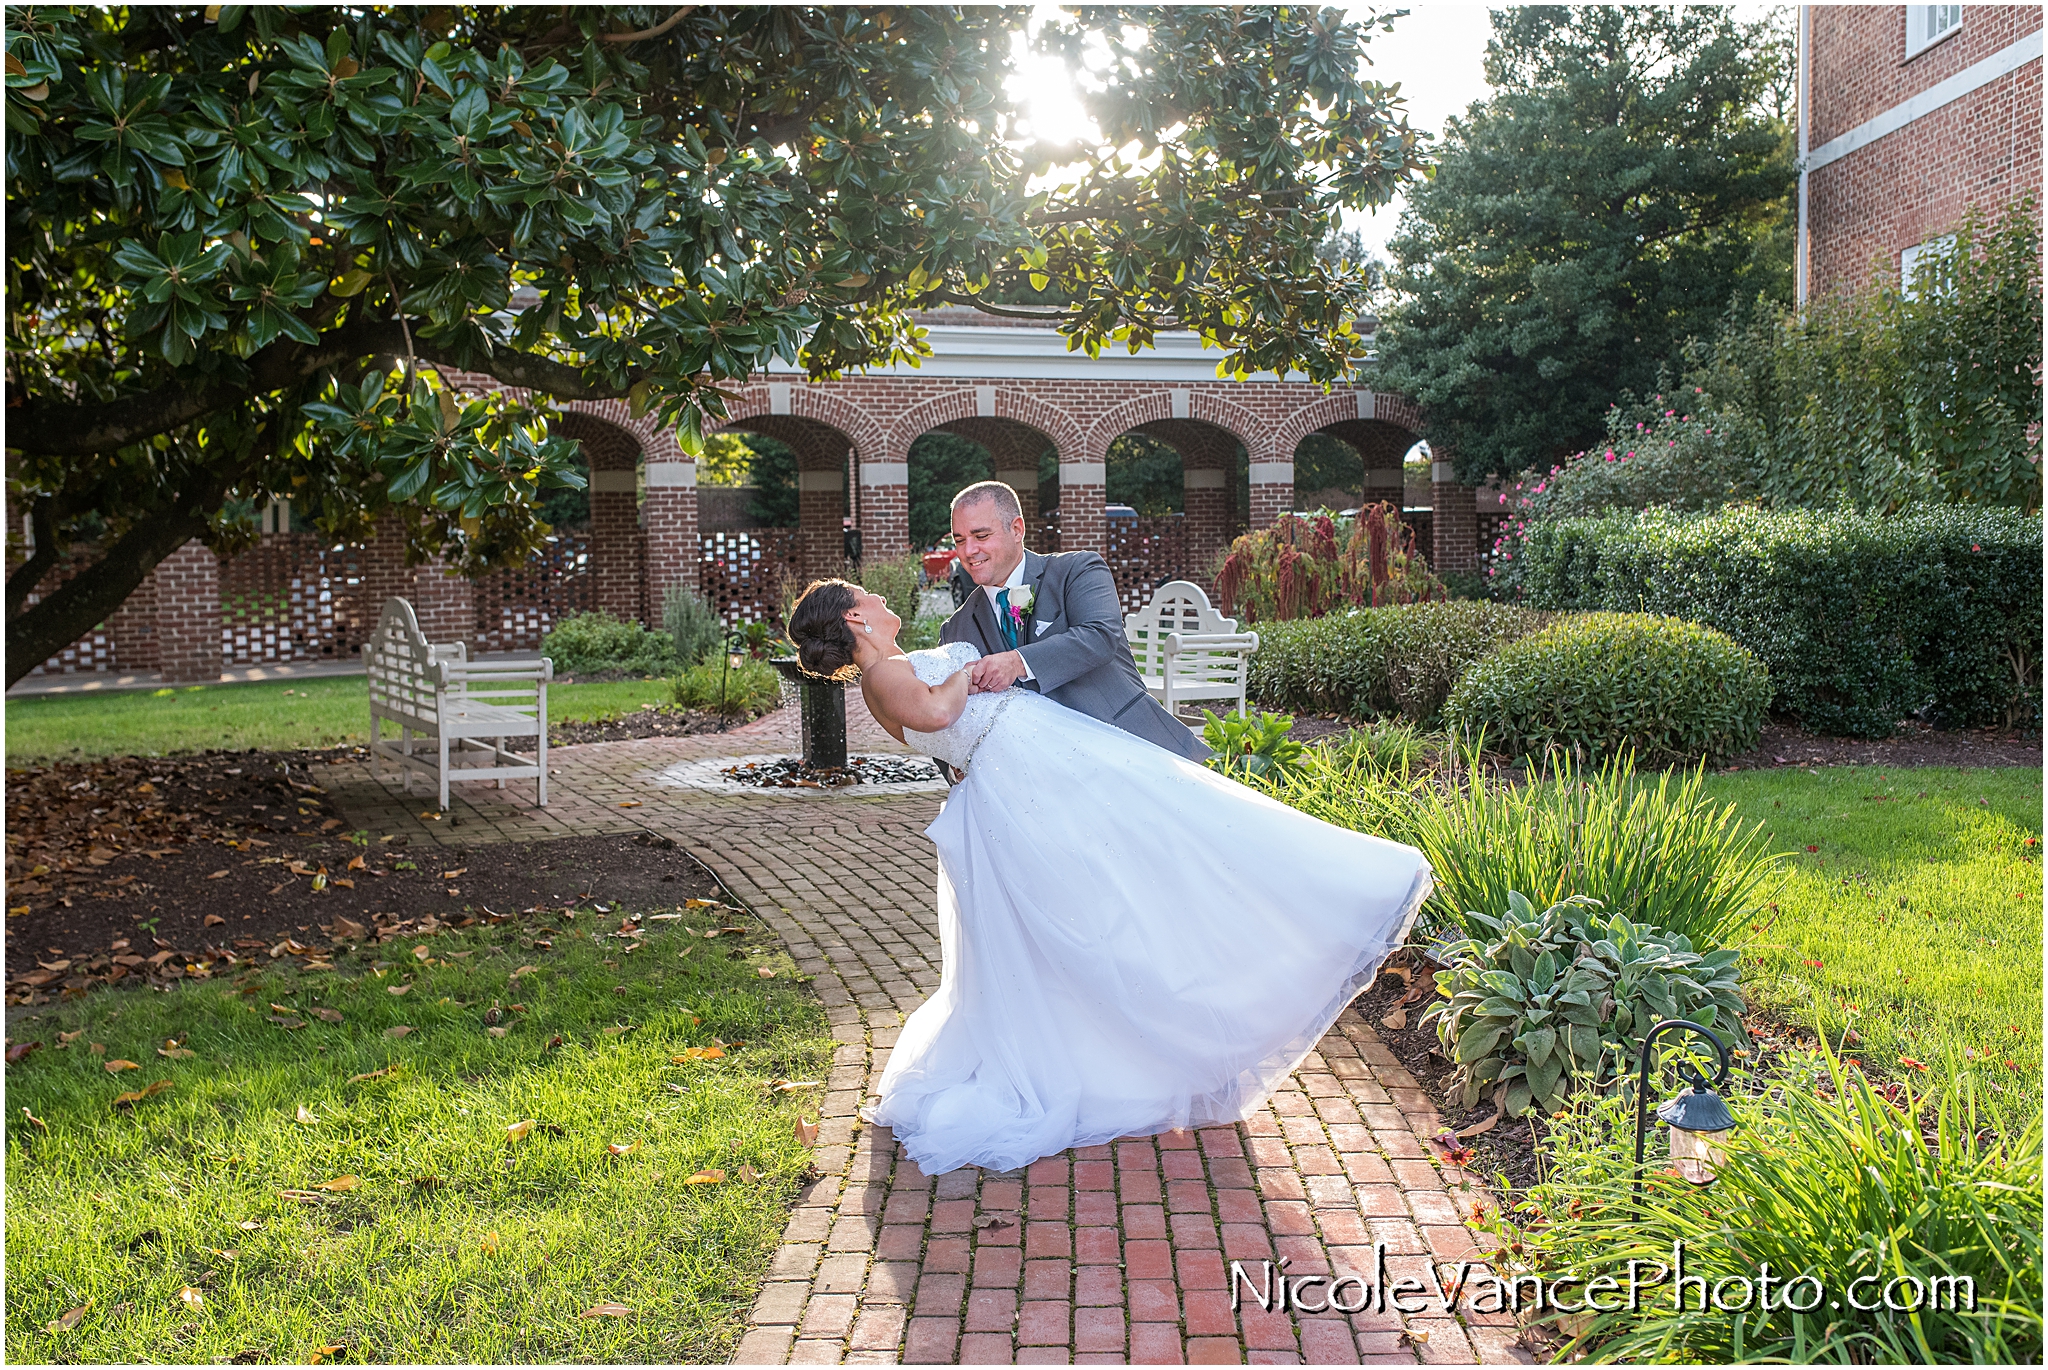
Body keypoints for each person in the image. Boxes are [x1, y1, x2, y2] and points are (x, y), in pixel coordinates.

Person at [786, 577, 1433, 1176]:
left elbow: (943, 743)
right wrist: (964, 672)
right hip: (1034, 776)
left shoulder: (889, 671)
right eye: (868, 594)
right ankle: (1323, 906)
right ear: (855, 616)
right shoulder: (887, 672)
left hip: (1035, 767)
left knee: (1159, 848)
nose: (878, 596)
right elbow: (934, 718)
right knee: (1148, 864)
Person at [940, 481, 1208, 763]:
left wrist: (1016, 662)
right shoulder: (955, 630)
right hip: (1034, 781)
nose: (968, 550)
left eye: (981, 536)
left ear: (1017, 529)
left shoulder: (1077, 571)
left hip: (1130, 751)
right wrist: (957, 767)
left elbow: (1100, 636)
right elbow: (947, 716)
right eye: (959, 540)